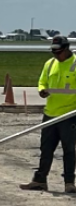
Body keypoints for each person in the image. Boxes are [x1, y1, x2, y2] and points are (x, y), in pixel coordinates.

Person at [20, 35, 76, 193]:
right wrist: (41, 90)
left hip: (69, 115)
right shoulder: (50, 64)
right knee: (46, 148)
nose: (56, 55)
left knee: (69, 149)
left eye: (58, 52)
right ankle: (40, 180)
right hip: (50, 113)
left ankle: (69, 182)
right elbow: (42, 80)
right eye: (53, 52)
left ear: (66, 49)